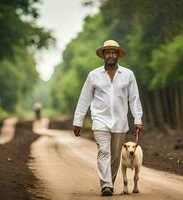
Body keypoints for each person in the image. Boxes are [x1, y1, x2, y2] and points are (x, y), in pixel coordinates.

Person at [72, 40, 143, 196]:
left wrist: (138, 119)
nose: (110, 55)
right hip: (100, 120)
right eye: (108, 52)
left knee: (116, 156)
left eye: (113, 52)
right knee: (103, 152)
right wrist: (78, 121)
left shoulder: (128, 75)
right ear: (103, 55)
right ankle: (107, 185)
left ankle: (108, 182)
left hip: (120, 121)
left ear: (118, 55)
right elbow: (84, 99)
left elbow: (134, 98)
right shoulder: (93, 75)